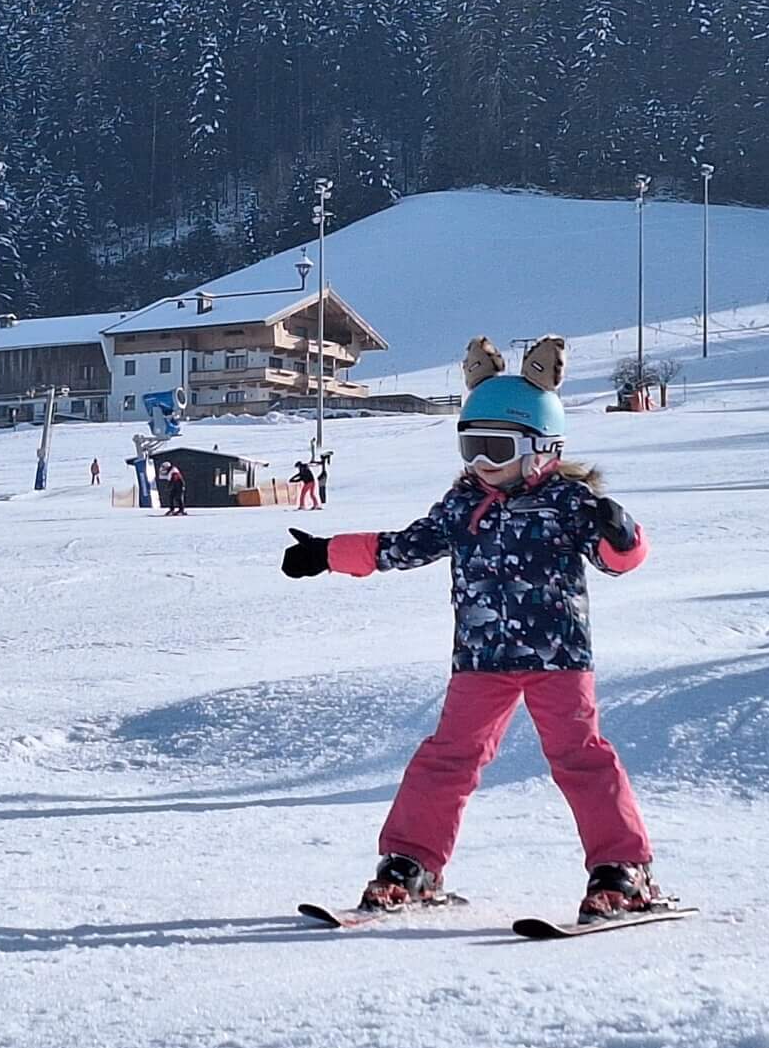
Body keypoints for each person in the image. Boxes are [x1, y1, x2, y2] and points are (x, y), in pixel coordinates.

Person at [280, 334, 664, 927]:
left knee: (581, 759)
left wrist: (622, 533)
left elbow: (615, 562)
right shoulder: (463, 503)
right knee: (446, 760)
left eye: (496, 448)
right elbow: (405, 546)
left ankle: (622, 872)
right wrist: (330, 553)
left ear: (542, 448)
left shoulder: (568, 502)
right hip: (480, 659)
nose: (481, 464)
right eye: (471, 448)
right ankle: (411, 865)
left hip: (557, 657)